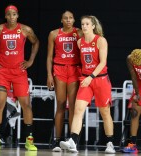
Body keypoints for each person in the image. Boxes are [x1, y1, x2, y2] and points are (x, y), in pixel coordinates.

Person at [0, 4, 39, 151]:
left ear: (17, 15)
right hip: (3, 72)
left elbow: (36, 42)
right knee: (0, 103)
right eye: (9, 14)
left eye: (14, 14)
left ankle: (29, 139)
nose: (11, 17)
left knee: (26, 104)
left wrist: (31, 60)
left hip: (19, 72)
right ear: (6, 16)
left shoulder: (25, 30)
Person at [59, 15, 116, 154]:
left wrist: (91, 76)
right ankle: (73, 141)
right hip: (86, 80)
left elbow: (103, 62)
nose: (83, 26)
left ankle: (110, 143)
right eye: (82, 24)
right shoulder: (79, 42)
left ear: (93, 26)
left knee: (105, 112)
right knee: (78, 109)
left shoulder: (101, 41)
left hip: (100, 79)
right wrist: (86, 76)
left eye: (86, 24)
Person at [46, 10, 82, 152]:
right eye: (65, 18)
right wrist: (49, 75)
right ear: (61, 20)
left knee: (73, 105)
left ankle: (72, 140)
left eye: (71, 18)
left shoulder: (79, 33)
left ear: (74, 20)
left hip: (74, 69)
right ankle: (57, 140)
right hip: (59, 69)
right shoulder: (54, 34)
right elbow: (49, 56)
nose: (68, 20)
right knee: (60, 104)